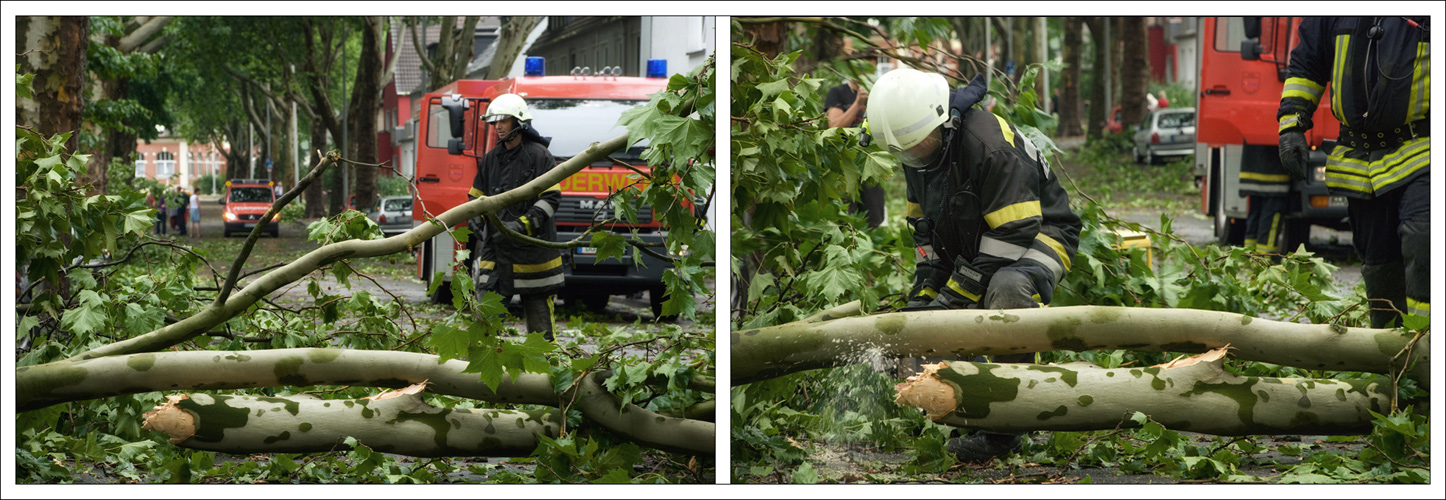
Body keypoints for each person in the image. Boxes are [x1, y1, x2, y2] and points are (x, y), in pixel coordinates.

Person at [868, 67, 1082, 463]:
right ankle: (969, 396)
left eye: (916, 147)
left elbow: (1013, 233)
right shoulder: (919, 151)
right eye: (903, 151)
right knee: (937, 309)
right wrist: (924, 298)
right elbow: (925, 234)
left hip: (1039, 232)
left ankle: (1008, 424)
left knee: (1005, 289)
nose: (911, 157)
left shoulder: (989, 145)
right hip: (976, 238)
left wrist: (952, 298)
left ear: (943, 121)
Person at [1277, 16, 1429, 327]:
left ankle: (1428, 347)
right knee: (1378, 265)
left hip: (1423, 150)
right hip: (1360, 160)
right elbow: (1308, 62)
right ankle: (1393, 359)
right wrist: (1292, 124)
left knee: (1424, 239)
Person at [466, 93, 563, 342]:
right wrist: (474, 218)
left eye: (503, 120)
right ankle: (482, 370)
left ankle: (544, 373)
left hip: (534, 251)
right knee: (486, 313)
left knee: (540, 323)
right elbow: (476, 197)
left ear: (518, 122)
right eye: (494, 121)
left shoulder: (540, 155)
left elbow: (551, 199)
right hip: (496, 251)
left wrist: (520, 226)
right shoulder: (490, 159)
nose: (497, 126)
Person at [826, 79, 886, 228]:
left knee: (874, 215)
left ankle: (869, 248)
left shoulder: (877, 93)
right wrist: (857, 103)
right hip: (844, 164)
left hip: (869, 161)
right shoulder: (838, 93)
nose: (869, 63)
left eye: (873, 59)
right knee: (845, 215)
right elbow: (834, 127)